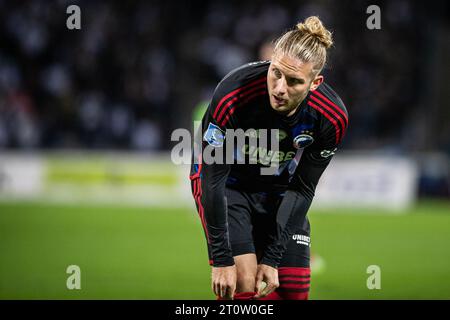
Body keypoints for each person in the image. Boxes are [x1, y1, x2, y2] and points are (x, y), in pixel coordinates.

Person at [189, 16, 348, 300]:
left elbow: (302, 187)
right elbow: (211, 177)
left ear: (315, 83)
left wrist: (273, 258)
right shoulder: (234, 92)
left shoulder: (330, 117)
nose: (279, 88)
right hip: (228, 185)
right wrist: (221, 259)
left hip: (277, 188)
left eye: (294, 81)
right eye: (275, 73)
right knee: (243, 280)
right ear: (270, 61)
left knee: (294, 289)